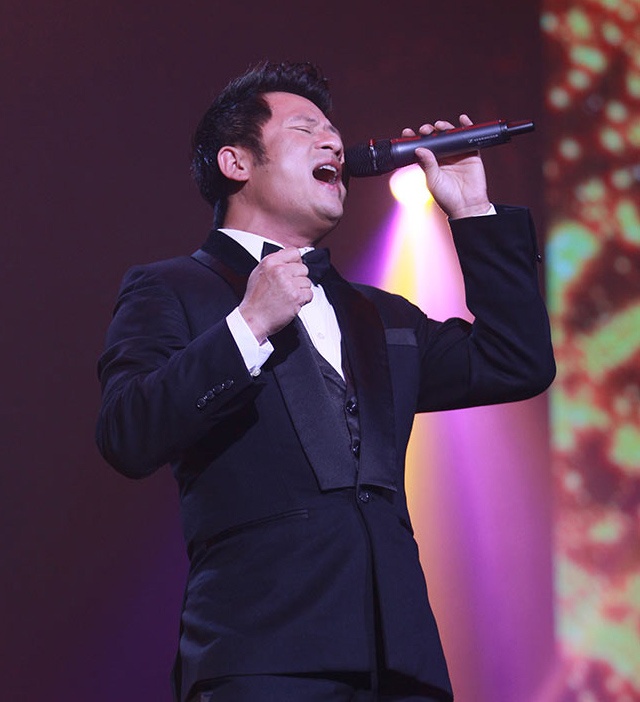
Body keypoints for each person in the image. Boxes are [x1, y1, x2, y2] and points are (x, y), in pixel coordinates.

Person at [96, 61, 555, 702]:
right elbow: (128, 431)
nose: (334, 141)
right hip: (262, 654)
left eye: (333, 131)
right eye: (305, 129)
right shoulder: (170, 288)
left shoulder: (380, 314)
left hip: (402, 663)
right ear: (236, 162)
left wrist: (473, 211)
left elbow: (515, 360)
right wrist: (248, 325)